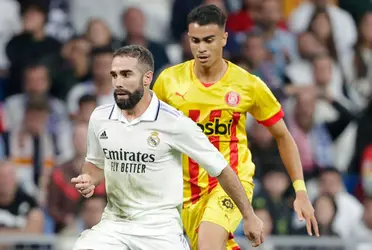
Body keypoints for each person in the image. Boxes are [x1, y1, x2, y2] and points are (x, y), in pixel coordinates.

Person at [152, 4, 320, 250]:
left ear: (224, 38)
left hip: (232, 183)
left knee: (209, 244)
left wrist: (301, 190)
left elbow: (283, 136)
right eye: (195, 40)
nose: (201, 48)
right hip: (187, 188)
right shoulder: (168, 80)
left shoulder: (248, 84)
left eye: (209, 40)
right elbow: (151, 132)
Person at [71, 45, 264, 250]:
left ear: (147, 78)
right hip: (116, 224)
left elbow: (223, 170)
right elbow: (95, 165)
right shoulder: (100, 117)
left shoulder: (174, 122)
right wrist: (89, 179)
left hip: (160, 230)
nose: (118, 82)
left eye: (126, 74)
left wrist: (249, 216)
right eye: (114, 75)